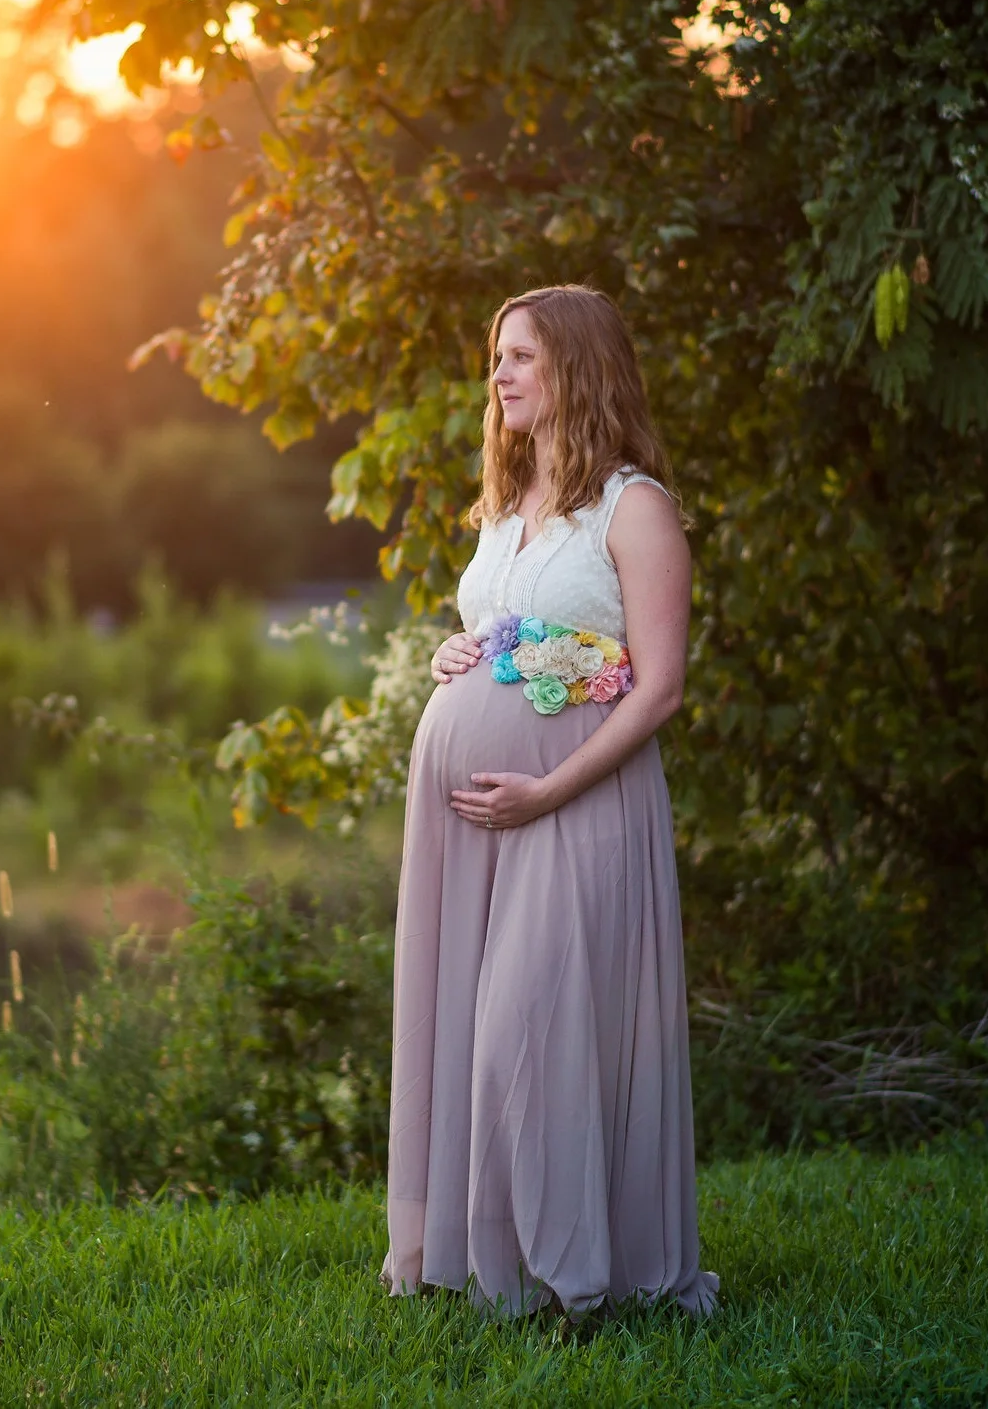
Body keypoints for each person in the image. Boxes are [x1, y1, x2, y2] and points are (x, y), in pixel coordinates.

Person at [380, 284, 718, 1321]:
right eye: (497, 356)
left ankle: (576, 1283)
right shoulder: (508, 506)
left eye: (521, 355)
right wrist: (452, 653)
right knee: (465, 1022)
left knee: (534, 1027)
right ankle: (485, 1265)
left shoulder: (634, 507)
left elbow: (659, 687)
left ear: (577, 365)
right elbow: (499, 629)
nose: (499, 375)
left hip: (576, 807)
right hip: (478, 824)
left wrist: (546, 790)